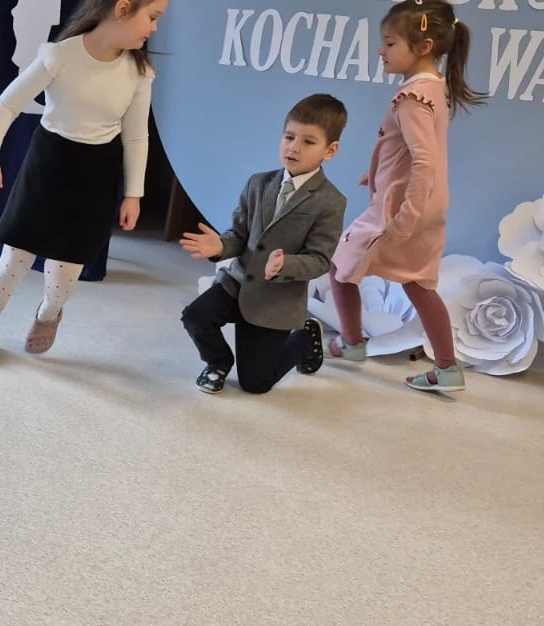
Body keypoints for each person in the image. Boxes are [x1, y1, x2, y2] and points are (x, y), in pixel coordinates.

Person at [0, 0, 169, 361]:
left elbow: (136, 136)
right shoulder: (60, 56)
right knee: (16, 256)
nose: (154, 28)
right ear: (122, 8)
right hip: (48, 163)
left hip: (96, 173)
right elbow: (8, 103)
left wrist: (133, 194)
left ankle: (49, 312)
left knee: (66, 266)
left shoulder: (138, 72)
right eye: (152, 17)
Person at [324, 0, 486, 392]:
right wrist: (379, 171)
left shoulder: (412, 97)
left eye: (390, 43)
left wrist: (405, 217)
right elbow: (410, 152)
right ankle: (447, 368)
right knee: (418, 284)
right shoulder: (433, 89)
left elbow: (424, 161)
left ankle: (352, 343)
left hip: (400, 212)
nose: (381, 50)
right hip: (425, 205)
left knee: (340, 265)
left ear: (424, 47)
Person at [179, 94, 349, 394]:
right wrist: (220, 247)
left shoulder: (331, 201)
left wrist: (287, 265)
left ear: (330, 150)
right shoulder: (257, 183)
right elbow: (239, 235)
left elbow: (320, 259)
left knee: (255, 383)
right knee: (195, 316)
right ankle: (217, 362)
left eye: (308, 141)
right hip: (237, 283)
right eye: (289, 137)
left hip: (275, 301)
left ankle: (304, 338)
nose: (294, 147)